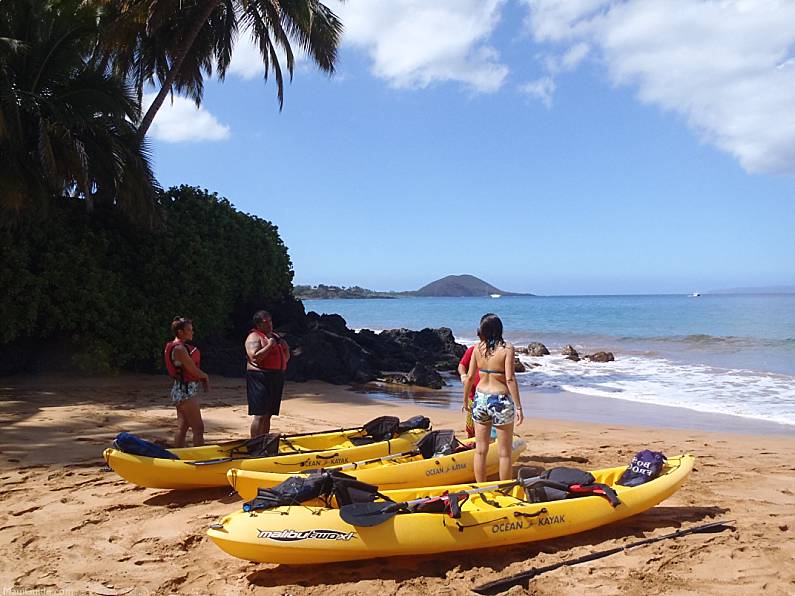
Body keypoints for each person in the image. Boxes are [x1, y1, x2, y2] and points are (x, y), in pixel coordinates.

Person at [462, 313, 523, 482]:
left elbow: (469, 376)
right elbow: (510, 379)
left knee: (480, 450)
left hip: (480, 399)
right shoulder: (507, 349)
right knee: (504, 453)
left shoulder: (476, 349)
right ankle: (504, 490)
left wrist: (465, 399)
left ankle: (482, 488)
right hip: (500, 400)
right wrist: (518, 407)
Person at [164, 317, 209, 448]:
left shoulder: (176, 347)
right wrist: (205, 376)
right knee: (198, 428)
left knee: (182, 427)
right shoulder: (179, 349)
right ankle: (201, 459)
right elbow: (192, 369)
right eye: (189, 330)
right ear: (180, 332)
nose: (192, 332)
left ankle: (178, 456)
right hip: (186, 391)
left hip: (180, 389)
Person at [245, 310, 290, 438]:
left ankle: (263, 442)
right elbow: (254, 357)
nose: (270, 324)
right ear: (259, 324)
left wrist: (285, 351)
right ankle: (254, 444)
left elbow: (285, 356)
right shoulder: (253, 337)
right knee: (259, 414)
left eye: (270, 321)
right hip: (259, 377)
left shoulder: (274, 336)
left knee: (268, 414)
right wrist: (269, 346)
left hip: (275, 376)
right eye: (266, 322)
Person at [457, 346, 479, 438]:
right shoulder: (473, 349)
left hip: (491, 394)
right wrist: (463, 375)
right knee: (471, 427)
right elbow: (462, 365)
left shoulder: (498, 351)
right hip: (473, 395)